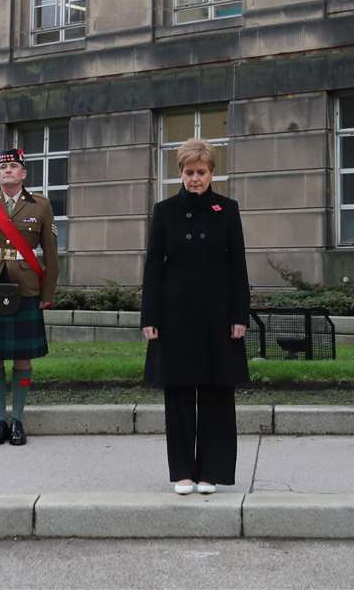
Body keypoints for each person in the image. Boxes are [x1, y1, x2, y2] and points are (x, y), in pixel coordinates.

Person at [140, 138, 251, 495]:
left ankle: (211, 472)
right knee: (180, 394)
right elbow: (153, 268)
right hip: (175, 318)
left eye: (201, 172)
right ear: (180, 174)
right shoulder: (165, 211)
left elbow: (238, 268)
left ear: (212, 173)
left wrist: (240, 316)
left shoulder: (227, 209)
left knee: (218, 393)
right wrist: (149, 317)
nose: (195, 179)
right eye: (189, 173)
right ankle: (183, 472)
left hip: (219, 316)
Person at [0, 148, 57, 447]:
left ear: (24, 173)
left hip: (26, 287)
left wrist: (48, 293)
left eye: (14, 166)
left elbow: (52, 256)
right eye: (3, 167)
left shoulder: (41, 206)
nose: (7, 171)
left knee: (22, 356)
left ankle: (17, 419)